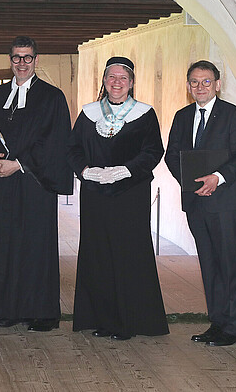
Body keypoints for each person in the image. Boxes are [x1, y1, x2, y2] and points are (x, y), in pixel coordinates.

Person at [0, 36, 73, 331]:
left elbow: (56, 142)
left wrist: (19, 164)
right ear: (10, 60)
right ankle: (6, 311)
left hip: (35, 183)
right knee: (3, 244)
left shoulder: (52, 97)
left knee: (36, 246)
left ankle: (41, 313)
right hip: (2, 183)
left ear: (36, 60)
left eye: (27, 57)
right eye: (16, 57)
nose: (21, 63)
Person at [67, 56, 168, 340]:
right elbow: (72, 149)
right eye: (112, 77)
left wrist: (126, 170)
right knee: (98, 254)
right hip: (95, 194)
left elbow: (153, 151)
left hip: (130, 194)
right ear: (104, 80)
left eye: (123, 78)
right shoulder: (89, 113)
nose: (117, 82)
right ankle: (102, 319)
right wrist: (85, 171)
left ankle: (130, 321)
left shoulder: (144, 114)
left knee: (128, 253)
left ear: (132, 83)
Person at [165, 60, 236, 346]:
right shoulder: (182, 116)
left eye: (206, 81)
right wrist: (190, 182)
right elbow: (172, 155)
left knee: (229, 266)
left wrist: (217, 178)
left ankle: (233, 329)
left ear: (217, 84)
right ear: (188, 86)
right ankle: (217, 323)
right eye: (194, 82)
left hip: (225, 203)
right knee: (209, 266)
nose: (200, 87)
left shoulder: (232, 114)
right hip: (196, 203)